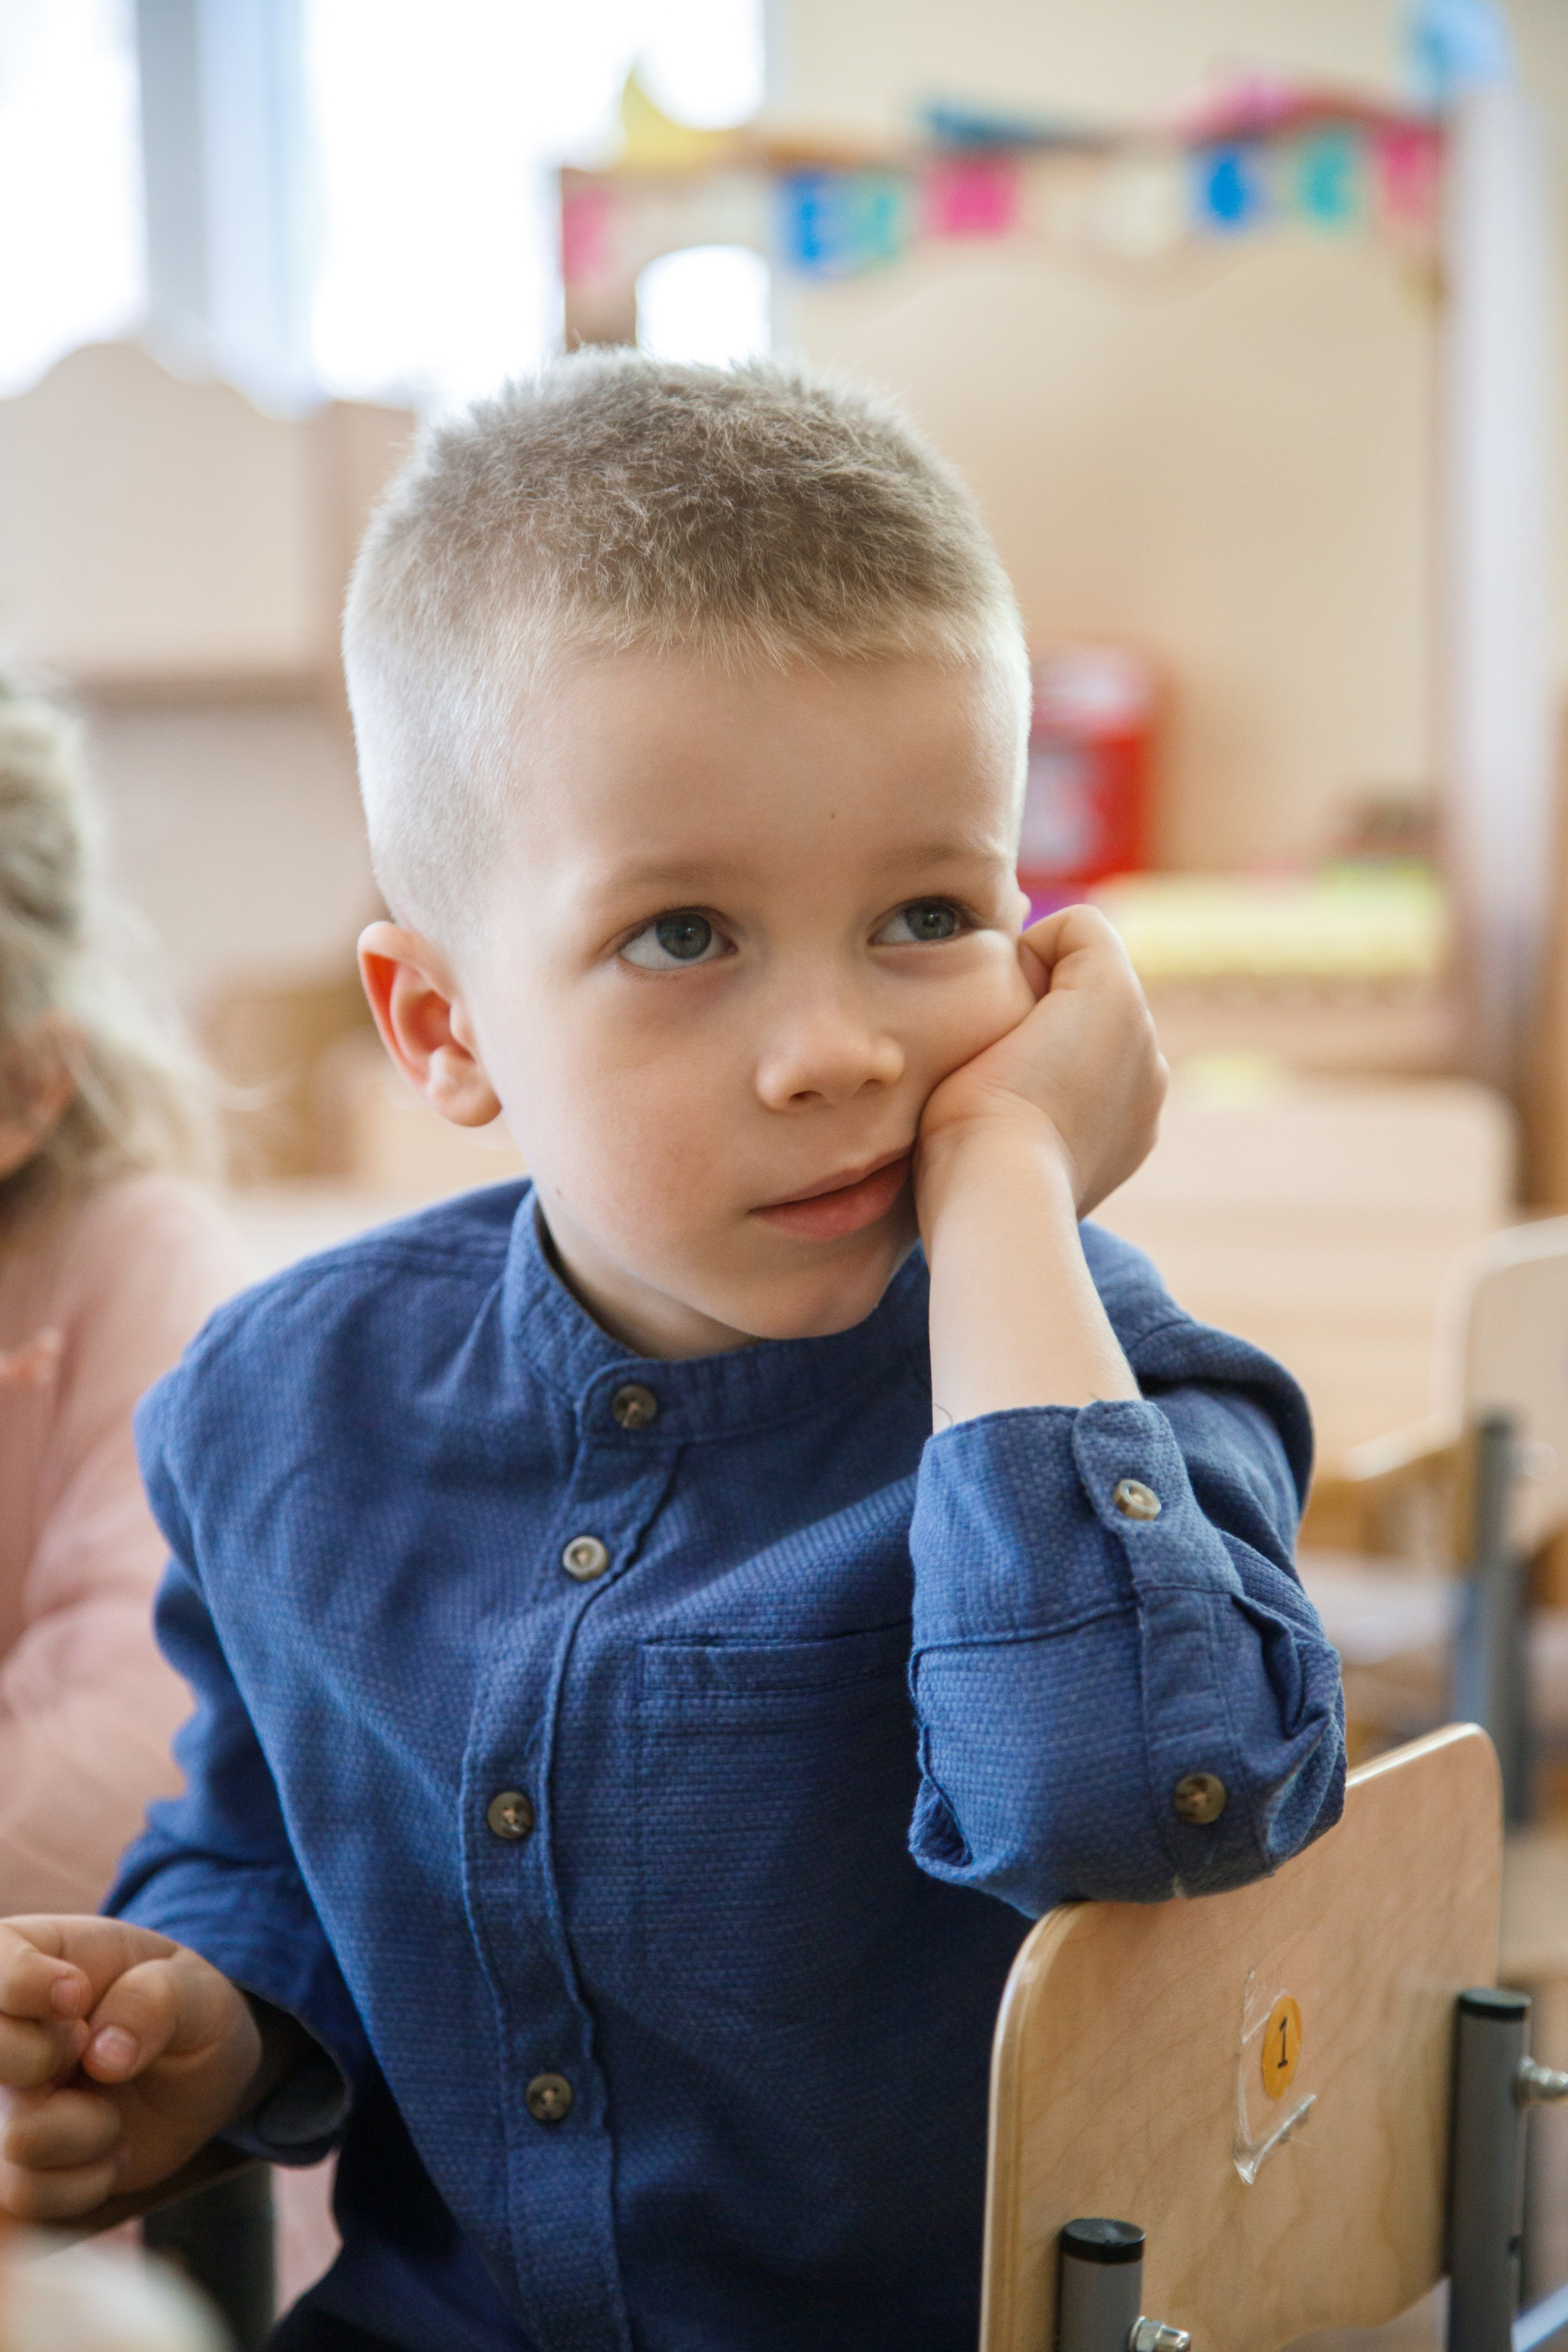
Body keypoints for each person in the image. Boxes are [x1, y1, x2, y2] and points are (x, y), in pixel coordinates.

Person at [0, 358, 1344, 2352]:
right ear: (441, 1025)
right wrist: (208, 2026)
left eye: (926, 913)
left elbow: (1118, 1804)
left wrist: (1006, 1193)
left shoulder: (1117, 1396)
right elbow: (264, 1831)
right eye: (687, 937)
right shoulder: (278, 1413)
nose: (841, 1053)